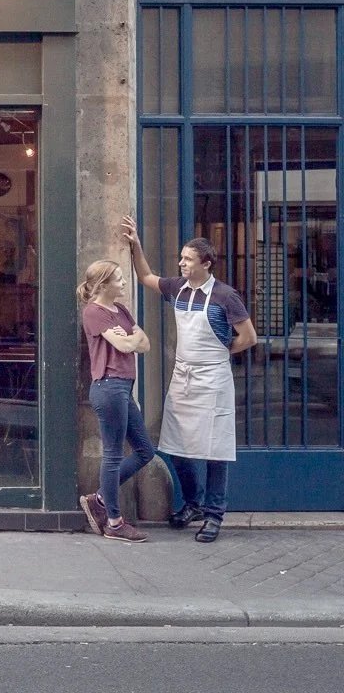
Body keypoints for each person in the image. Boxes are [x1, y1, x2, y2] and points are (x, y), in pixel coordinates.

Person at [122, 216, 257, 543]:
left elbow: (249, 337)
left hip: (213, 380)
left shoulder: (226, 296)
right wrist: (136, 243)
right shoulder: (177, 288)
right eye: (181, 258)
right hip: (184, 376)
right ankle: (193, 502)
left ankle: (214, 515)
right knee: (177, 446)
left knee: (215, 450)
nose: (181, 263)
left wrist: (220, 355)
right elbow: (144, 276)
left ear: (206, 264)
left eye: (187, 259)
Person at [76, 260, 155, 543]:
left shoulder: (120, 310)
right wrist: (130, 340)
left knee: (146, 451)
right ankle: (113, 522)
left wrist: (131, 339)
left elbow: (144, 343)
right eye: (119, 279)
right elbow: (125, 345)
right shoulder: (94, 312)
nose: (124, 283)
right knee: (112, 454)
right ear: (103, 285)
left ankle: (99, 498)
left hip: (123, 387)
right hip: (109, 387)